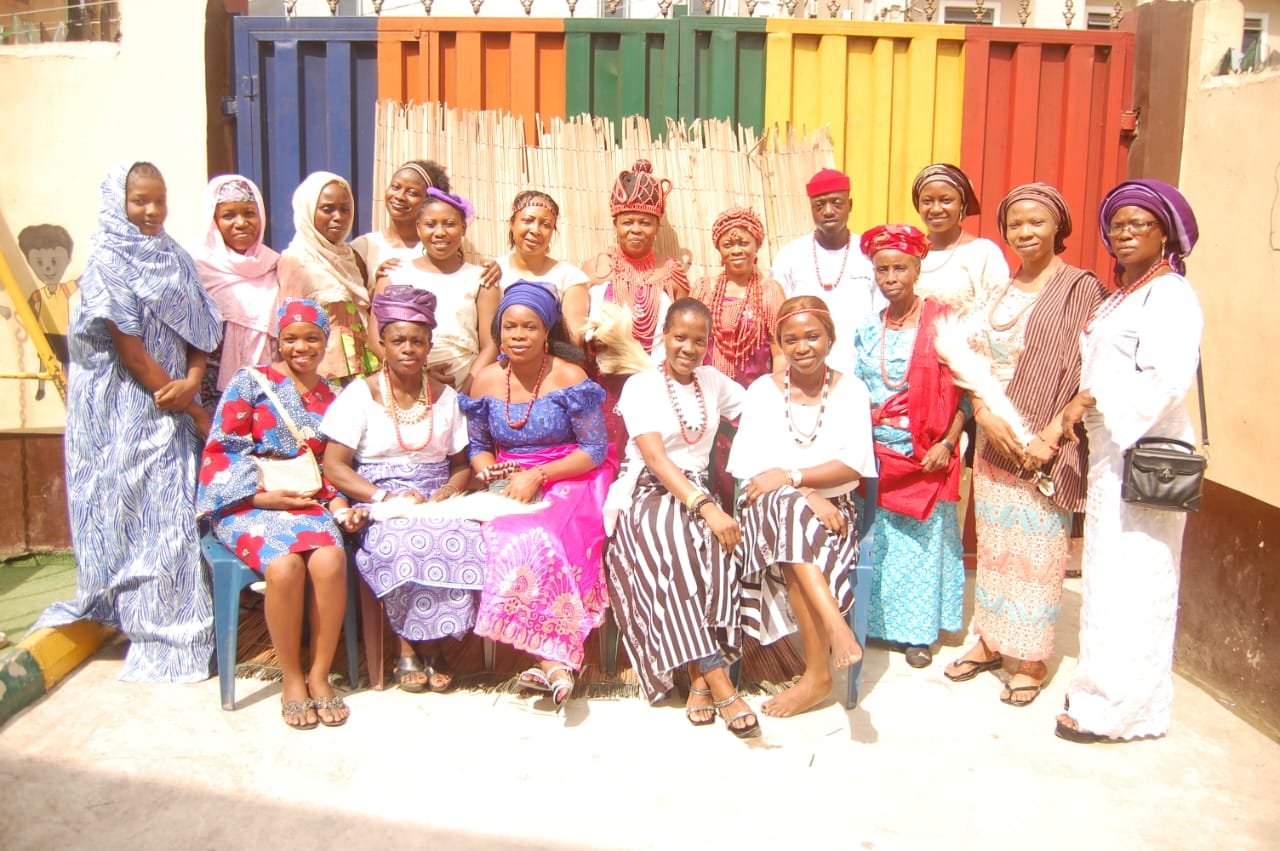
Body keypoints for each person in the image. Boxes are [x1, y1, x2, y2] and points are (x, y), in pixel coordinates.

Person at [34, 162, 222, 683]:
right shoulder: (107, 261)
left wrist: (194, 378)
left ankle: (177, 631)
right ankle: (140, 621)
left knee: (170, 521)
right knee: (130, 515)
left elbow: (201, 330)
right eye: (141, 200)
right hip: (124, 412)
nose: (152, 211)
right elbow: (132, 352)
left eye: (159, 200)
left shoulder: (174, 258)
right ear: (119, 201)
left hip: (174, 403)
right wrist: (192, 404)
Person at [942, 184, 1104, 706]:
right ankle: (991, 640)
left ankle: (1030, 656)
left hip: (1044, 446)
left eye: (1036, 222)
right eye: (1015, 224)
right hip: (996, 442)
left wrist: (1053, 433)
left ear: (1058, 226)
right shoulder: (997, 292)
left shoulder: (1082, 289)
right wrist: (984, 416)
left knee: (1038, 555)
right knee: (994, 552)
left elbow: (1092, 372)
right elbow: (970, 362)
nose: (1025, 233)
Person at [1054, 179, 1203, 743]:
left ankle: (1122, 708)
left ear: (1164, 232)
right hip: (1112, 452)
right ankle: (1102, 687)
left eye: (1138, 223)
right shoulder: (1128, 293)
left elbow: (1165, 377)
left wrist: (1089, 399)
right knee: (1108, 576)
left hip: (1147, 454)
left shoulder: (1170, 296)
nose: (1124, 234)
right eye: (1117, 225)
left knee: (1139, 579)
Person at [197, 299, 362, 729]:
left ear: (326, 342)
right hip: (249, 505)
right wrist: (259, 497)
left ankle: (320, 674)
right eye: (291, 338)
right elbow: (222, 450)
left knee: (329, 559)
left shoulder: (334, 396)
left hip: (309, 503)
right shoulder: (249, 383)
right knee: (285, 566)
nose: (301, 347)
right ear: (278, 341)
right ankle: (292, 678)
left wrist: (338, 503)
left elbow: (332, 463)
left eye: (312, 338)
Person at [459, 280, 615, 709]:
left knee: (542, 536)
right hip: (508, 478)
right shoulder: (486, 380)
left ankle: (552, 659)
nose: (518, 336)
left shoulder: (570, 376)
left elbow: (594, 450)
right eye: (509, 327)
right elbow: (477, 448)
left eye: (529, 327)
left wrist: (539, 475)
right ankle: (552, 662)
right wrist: (486, 470)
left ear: (547, 331)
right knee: (500, 536)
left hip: (571, 474)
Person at [604, 298, 757, 737]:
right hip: (647, 492)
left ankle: (697, 679)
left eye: (699, 341)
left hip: (696, 491)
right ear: (663, 337)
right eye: (680, 338)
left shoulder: (711, 380)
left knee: (719, 551)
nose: (689, 348)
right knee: (673, 548)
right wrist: (708, 508)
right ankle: (721, 681)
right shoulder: (642, 385)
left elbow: (756, 411)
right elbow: (654, 457)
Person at [323, 285, 483, 694]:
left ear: (430, 344)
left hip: (434, 497)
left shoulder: (447, 398)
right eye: (398, 340)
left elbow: (461, 465)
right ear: (382, 344)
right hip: (379, 496)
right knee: (402, 540)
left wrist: (447, 492)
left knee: (460, 536)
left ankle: (436, 643)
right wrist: (385, 500)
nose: (408, 349)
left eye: (417, 340)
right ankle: (408, 645)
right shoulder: (358, 395)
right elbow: (335, 465)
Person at [727, 296, 876, 717]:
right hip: (765, 509)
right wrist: (804, 490)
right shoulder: (761, 391)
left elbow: (852, 464)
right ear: (779, 345)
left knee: (795, 525)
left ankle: (818, 677)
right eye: (790, 340)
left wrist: (793, 480)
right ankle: (834, 633)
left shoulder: (851, 391)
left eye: (813, 336)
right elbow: (751, 467)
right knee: (790, 510)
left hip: (833, 514)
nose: (803, 346)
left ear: (830, 338)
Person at [855, 225, 966, 669]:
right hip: (879, 453)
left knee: (921, 549)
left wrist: (948, 441)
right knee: (880, 545)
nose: (891, 277)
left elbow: (968, 390)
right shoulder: (866, 329)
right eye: (882, 270)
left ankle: (918, 634)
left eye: (900, 268)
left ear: (918, 269)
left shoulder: (944, 322)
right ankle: (879, 625)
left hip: (927, 453)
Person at [691, 207, 785, 508]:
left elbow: (780, 351)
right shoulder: (704, 289)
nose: (736, 250)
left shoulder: (770, 292)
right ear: (718, 248)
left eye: (743, 242)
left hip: (752, 403)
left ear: (757, 245)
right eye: (728, 244)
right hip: (708, 401)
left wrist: (777, 398)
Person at [375, 188, 499, 397]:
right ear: (418, 227)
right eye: (430, 224)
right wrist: (419, 375)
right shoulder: (394, 274)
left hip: (463, 386)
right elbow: (376, 337)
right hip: (404, 384)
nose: (440, 232)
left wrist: (466, 389)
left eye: (449, 224)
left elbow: (491, 344)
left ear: (463, 228)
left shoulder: (483, 279)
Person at [768, 168, 882, 374]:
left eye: (837, 203)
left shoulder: (870, 254)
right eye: (819, 205)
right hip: (803, 376)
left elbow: (883, 319)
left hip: (860, 374)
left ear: (850, 205)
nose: (828, 211)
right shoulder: (789, 257)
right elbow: (778, 323)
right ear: (811, 209)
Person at [582, 159, 690, 354]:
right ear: (616, 225)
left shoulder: (671, 273)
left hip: (655, 377)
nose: (636, 230)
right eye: (627, 222)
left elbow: (684, 330)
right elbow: (578, 329)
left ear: (657, 227)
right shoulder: (595, 268)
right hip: (604, 376)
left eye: (645, 223)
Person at [277, 171, 376, 381]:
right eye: (327, 209)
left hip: (362, 367)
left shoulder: (349, 257)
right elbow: (289, 325)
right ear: (308, 210)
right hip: (323, 372)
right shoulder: (297, 260)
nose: (338, 217)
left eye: (345, 209)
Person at [192, 175, 280, 396]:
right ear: (214, 221)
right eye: (228, 215)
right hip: (210, 387)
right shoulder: (197, 268)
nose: (241, 223)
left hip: (267, 388)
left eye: (249, 213)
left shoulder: (274, 266)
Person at [494, 190, 590, 344]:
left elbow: (574, 341)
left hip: (553, 364)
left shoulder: (570, 277)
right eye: (527, 220)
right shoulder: (494, 271)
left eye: (546, 225)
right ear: (512, 223)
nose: (535, 230)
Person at [911, 163, 1009, 311]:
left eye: (946, 200)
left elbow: (997, 310)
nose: (936, 209)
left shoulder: (983, 253)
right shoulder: (909, 253)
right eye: (927, 201)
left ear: (962, 204)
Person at [352, 160, 450, 288]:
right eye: (395, 187)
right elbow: (354, 305)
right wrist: (379, 286)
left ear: (429, 202)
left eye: (412, 193)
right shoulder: (364, 247)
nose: (400, 196)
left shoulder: (438, 247)